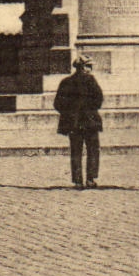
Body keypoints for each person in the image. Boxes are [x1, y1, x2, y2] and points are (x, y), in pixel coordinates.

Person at [54, 55, 104, 190]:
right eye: (88, 66)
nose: (90, 69)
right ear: (82, 67)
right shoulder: (91, 81)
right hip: (90, 122)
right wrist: (90, 110)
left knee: (76, 151)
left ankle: (78, 181)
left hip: (74, 123)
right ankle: (90, 179)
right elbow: (99, 99)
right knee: (93, 150)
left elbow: (58, 103)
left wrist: (70, 113)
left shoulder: (66, 82)